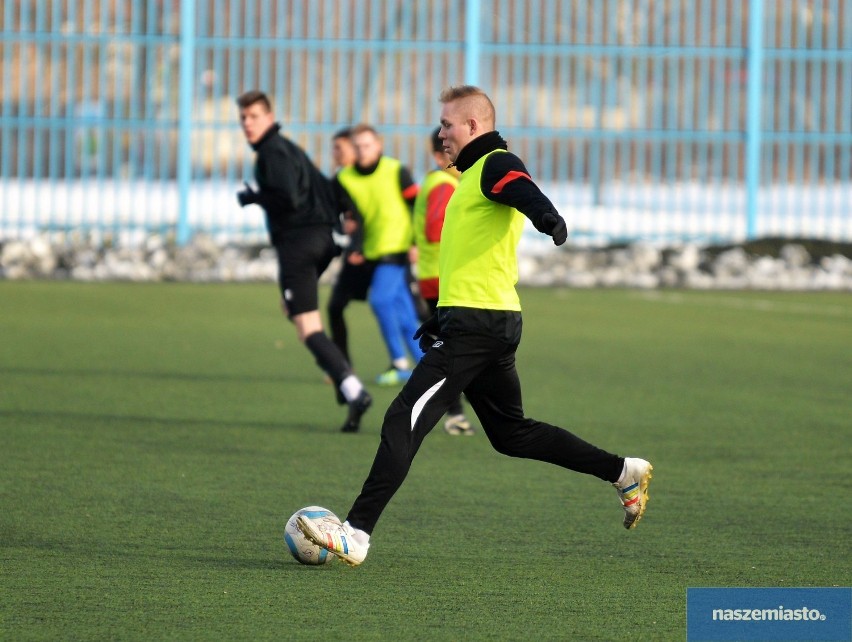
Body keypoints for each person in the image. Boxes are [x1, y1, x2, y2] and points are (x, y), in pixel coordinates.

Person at [298, 85, 653, 566]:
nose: (440, 133)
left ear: (472, 126)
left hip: (479, 325)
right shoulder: (466, 179)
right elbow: (472, 259)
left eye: (447, 124)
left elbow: (521, 187)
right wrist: (440, 318)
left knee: (403, 418)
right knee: (512, 435)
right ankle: (622, 471)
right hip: (483, 319)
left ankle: (355, 534)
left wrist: (548, 218)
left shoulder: (494, 164)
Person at [235, 91, 371, 433]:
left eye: (253, 116)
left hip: (299, 243)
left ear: (269, 117)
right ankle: (346, 386)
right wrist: (347, 229)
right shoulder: (290, 148)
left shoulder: (271, 151)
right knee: (298, 312)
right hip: (322, 241)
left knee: (307, 327)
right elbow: (328, 189)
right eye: (243, 118)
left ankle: (352, 388)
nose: (247, 123)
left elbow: (288, 197)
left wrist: (255, 197)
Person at [333, 124, 424, 387]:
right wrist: (350, 240)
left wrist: (417, 242)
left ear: (379, 145)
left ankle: (399, 363)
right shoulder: (344, 178)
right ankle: (432, 367)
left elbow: (418, 206)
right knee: (405, 313)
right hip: (371, 252)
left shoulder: (396, 170)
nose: (363, 150)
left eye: (367, 145)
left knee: (380, 301)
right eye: (358, 146)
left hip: (397, 249)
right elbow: (342, 216)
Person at [411, 127, 472, 436]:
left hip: (434, 273)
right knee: (456, 349)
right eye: (453, 153)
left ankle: (455, 411)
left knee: (455, 347)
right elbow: (437, 229)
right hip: (441, 276)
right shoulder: (444, 185)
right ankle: (452, 414)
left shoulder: (441, 182)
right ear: (440, 156)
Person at [326, 128, 376, 366]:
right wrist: (342, 229)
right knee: (335, 306)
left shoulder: (371, 177)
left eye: (340, 147)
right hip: (355, 256)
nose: (335, 152)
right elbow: (333, 216)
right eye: (334, 147)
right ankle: (343, 366)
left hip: (379, 253)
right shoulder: (339, 179)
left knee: (412, 310)